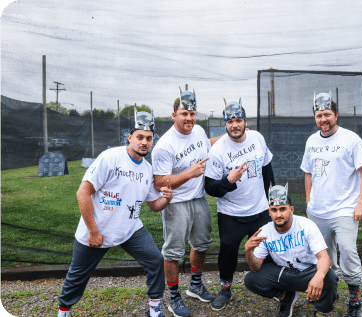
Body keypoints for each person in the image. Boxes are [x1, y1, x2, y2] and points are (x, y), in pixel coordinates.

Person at [57, 110, 173, 317]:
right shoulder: (110, 157)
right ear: (129, 137)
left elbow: (154, 206)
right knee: (77, 276)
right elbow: (83, 192)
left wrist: (167, 198)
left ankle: (154, 312)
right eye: (139, 137)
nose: (144, 142)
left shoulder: (147, 169)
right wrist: (93, 231)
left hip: (129, 228)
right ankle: (63, 312)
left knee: (155, 260)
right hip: (97, 228)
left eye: (149, 138)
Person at [300, 91, 362, 317]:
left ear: (336, 115)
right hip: (318, 211)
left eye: (328, 114)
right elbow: (308, 172)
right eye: (319, 115)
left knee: (349, 251)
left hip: (344, 209)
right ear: (315, 117)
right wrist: (309, 200)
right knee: (323, 256)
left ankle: (354, 300)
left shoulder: (350, 139)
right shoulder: (311, 141)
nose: (324, 119)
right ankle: (329, 292)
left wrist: (361, 203)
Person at [151, 86, 221, 317]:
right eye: (184, 113)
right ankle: (174, 297)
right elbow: (160, 182)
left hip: (198, 199)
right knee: (173, 252)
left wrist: (231, 135)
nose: (189, 118)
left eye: (192, 113)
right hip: (176, 203)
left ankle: (195, 285)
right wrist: (188, 174)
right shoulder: (165, 145)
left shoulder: (199, 131)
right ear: (174, 115)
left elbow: (207, 145)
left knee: (201, 244)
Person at [204, 98, 275, 311]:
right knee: (228, 251)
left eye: (238, 120)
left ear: (245, 121)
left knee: (271, 248)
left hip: (259, 208)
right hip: (231, 213)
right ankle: (225, 288)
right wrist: (228, 181)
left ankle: (276, 285)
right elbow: (210, 187)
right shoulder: (218, 150)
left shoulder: (257, 138)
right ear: (225, 124)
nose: (235, 125)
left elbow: (267, 170)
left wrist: (272, 200)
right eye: (230, 121)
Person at [244, 184, 338, 317]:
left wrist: (318, 277)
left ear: (291, 210)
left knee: (330, 277)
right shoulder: (264, 231)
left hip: (308, 272)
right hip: (284, 273)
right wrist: (248, 251)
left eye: (283, 209)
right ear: (269, 212)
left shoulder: (306, 225)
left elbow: (324, 258)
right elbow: (255, 268)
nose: (278, 214)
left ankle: (321, 310)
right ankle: (287, 297)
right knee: (251, 279)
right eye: (274, 210)